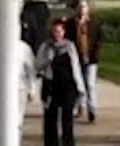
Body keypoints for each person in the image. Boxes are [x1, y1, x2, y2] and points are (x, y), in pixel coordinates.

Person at [36, 18, 87, 146]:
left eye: (59, 31)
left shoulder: (69, 46)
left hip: (67, 85)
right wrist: (48, 60)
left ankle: (68, 142)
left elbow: (75, 66)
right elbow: (37, 65)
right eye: (54, 31)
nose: (56, 34)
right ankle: (50, 142)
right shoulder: (46, 46)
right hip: (51, 84)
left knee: (67, 116)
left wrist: (80, 87)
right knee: (50, 116)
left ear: (63, 32)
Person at [0, 31, 38, 144]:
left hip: (19, 90)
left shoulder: (24, 48)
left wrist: (32, 89)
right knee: (0, 119)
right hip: (1, 90)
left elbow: (31, 70)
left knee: (17, 121)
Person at [65, 0, 104, 123]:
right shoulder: (71, 24)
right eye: (80, 7)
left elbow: (99, 41)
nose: (82, 9)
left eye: (84, 7)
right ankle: (80, 107)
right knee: (78, 84)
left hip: (90, 59)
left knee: (90, 84)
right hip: (76, 59)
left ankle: (92, 109)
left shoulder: (94, 23)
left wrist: (95, 55)